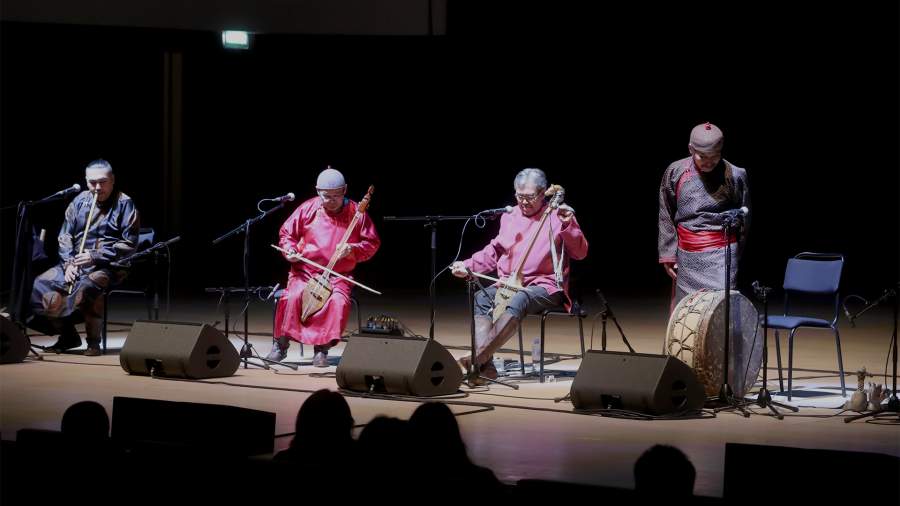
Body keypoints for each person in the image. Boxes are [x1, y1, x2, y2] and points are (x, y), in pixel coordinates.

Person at [451, 168, 588, 380]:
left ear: (543, 194)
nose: (523, 202)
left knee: (520, 298)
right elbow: (495, 251)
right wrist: (468, 266)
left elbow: (580, 252)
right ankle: (486, 369)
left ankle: (478, 359)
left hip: (546, 287)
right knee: (481, 297)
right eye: (519, 196)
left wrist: (569, 224)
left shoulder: (557, 215)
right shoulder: (510, 216)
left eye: (530, 197)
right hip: (509, 283)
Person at [269, 167, 380, 366]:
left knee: (336, 301)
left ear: (345, 190)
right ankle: (281, 345)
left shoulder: (357, 213)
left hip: (338, 275)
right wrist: (290, 251)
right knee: (292, 296)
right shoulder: (308, 208)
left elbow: (371, 244)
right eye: (326, 196)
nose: (331, 200)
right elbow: (286, 234)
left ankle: (322, 349)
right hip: (305, 272)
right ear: (317, 191)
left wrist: (352, 249)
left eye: (336, 195)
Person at [29, 159, 140, 356]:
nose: (97, 187)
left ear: (113, 180)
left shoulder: (125, 203)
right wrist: (69, 263)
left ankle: (93, 342)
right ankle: (68, 335)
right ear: (86, 181)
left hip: (111, 266)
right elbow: (64, 235)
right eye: (92, 182)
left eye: (103, 182)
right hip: (76, 263)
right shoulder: (79, 200)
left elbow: (129, 244)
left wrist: (94, 255)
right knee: (40, 284)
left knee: (89, 286)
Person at [658, 122, 751, 307]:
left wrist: (735, 253)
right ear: (691, 149)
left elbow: (744, 217)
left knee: (720, 308)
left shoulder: (735, 174)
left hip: (722, 255)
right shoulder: (676, 172)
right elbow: (665, 212)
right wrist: (668, 253)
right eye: (702, 156)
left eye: (714, 156)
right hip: (687, 254)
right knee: (687, 310)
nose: (709, 161)